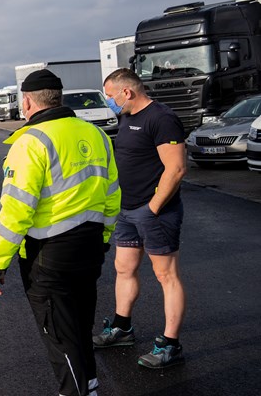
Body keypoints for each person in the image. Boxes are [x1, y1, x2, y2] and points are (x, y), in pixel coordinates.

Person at [0, 69, 121, 396]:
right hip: (90, 247)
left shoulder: (31, 141)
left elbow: (17, 210)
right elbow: (113, 194)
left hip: (48, 255)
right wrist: (102, 239)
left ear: (28, 102)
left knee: (61, 339)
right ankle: (88, 387)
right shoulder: (96, 135)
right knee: (79, 330)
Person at [93, 68, 187, 369]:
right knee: (123, 268)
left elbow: (176, 169)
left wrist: (154, 207)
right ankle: (122, 328)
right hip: (127, 209)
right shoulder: (127, 117)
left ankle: (170, 345)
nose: (109, 102)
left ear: (127, 92)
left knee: (165, 275)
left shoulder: (162, 118)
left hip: (154, 212)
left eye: (110, 96)